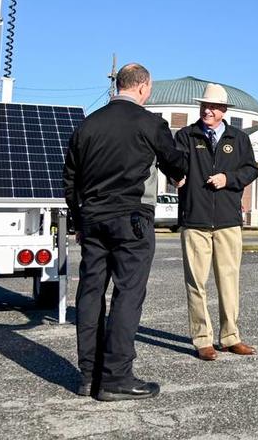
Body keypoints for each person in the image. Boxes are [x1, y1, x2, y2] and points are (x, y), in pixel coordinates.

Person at [64, 63, 187, 400]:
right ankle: (116, 378)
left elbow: (70, 180)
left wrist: (78, 219)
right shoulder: (149, 123)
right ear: (144, 87)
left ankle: (88, 375)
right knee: (127, 293)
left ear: (118, 85)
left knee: (90, 294)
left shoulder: (87, 125)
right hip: (131, 218)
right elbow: (175, 163)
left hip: (92, 219)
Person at [176, 83, 258, 361]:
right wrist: (174, 174)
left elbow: (251, 169)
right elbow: (172, 162)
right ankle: (202, 339)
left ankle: (230, 337)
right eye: (204, 106)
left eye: (212, 107)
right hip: (195, 220)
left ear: (224, 110)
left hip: (227, 221)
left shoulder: (238, 139)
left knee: (228, 281)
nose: (207, 110)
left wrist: (229, 179)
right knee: (196, 283)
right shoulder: (186, 136)